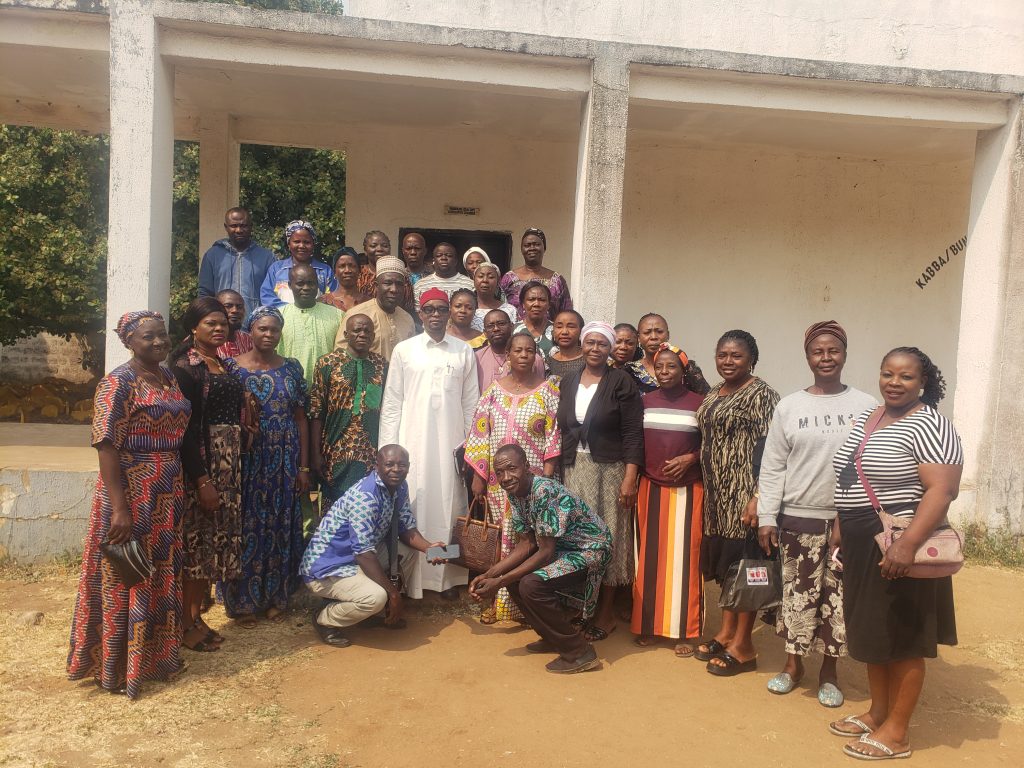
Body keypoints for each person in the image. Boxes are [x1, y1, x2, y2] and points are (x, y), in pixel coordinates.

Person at [829, 347, 962, 760]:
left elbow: (943, 490)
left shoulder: (931, 424)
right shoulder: (871, 417)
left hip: (900, 541)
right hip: (861, 539)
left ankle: (898, 733)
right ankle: (878, 713)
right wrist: (839, 526)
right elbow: (851, 473)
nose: (894, 382)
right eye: (888, 373)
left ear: (923, 381)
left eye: (906, 376)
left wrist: (907, 544)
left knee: (903, 636)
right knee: (874, 629)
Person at [67, 311, 191, 698]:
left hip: (166, 490)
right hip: (131, 492)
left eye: (162, 336)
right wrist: (120, 508)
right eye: (148, 337)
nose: (158, 343)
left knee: (160, 572)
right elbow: (106, 444)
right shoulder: (117, 383)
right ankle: (119, 666)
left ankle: (156, 658)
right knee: (128, 574)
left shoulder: (168, 377)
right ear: (129, 342)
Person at [756, 321, 876, 706]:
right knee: (797, 593)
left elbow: (871, 465)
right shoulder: (790, 406)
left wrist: (855, 514)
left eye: (833, 351)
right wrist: (767, 516)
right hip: (799, 516)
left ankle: (829, 671)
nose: (825, 358)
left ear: (844, 354)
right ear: (807, 356)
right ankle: (793, 665)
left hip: (850, 521)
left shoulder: (867, 407)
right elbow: (773, 466)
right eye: (817, 352)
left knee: (836, 597)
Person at [469, 445, 610, 674]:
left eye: (512, 469)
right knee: (516, 581)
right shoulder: (515, 492)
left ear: (526, 466)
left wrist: (499, 583)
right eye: (500, 472)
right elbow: (526, 544)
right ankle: (553, 638)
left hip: (590, 548)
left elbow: (545, 552)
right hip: (563, 549)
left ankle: (578, 651)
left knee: (530, 584)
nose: (506, 478)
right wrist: (488, 575)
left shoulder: (544, 491)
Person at [379, 288, 479, 598]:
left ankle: (445, 578)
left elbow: (470, 404)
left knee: (450, 510)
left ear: (449, 313)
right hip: (413, 445)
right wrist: (388, 449)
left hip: (451, 447)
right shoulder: (405, 351)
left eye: (441, 309)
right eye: (429, 310)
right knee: (415, 508)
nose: (435, 315)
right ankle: (413, 579)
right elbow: (393, 402)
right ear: (420, 315)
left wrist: (468, 451)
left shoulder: (462, 351)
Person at [301, 445, 447, 647]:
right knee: (376, 597)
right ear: (376, 466)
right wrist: (393, 594)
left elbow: (406, 527)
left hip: (355, 558)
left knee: (408, 553)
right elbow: (363, 554)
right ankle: (324, 617)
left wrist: (430, 548)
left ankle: (370, 612)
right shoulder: (365, 497)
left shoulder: (399, 487)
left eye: (401, 465)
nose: (396, 469)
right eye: (389, 464)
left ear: (408, 467)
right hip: (327, 567)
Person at [696, 330, 780, 676]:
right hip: (717, 499)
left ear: (752, 359)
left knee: (749, 571)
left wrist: (759, 497)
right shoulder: (715, 391)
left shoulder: (763, 395)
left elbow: (772, 450)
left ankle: (744, 647)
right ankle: (727, 632)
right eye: (722, 355)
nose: (728, 362)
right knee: (730, 571)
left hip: (745, 497)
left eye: (736, 356)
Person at [222, 306, 309, 627]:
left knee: (279, 526)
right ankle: (243, 601)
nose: (268, 335)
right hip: (247, 460)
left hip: (285, 458)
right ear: (251, 331)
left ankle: (276, 596)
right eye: (262, 329)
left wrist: (303, 467)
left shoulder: (291, 369)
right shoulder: (232, 368)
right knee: (246, 527)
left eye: (274, 329)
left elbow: (301, 419)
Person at [556, 321, 644, 642]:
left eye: (602, 344)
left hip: (610, 471)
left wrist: (630, 476)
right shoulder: (568, 382)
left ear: (610, 349)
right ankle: (580, 607)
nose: (595, 349)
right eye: (590, 342)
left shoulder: (621, 381)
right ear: (582, 345)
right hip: (573, 470)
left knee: (609, 537)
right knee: (576, 539)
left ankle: (605, 611)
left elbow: (634, 431)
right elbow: (561, 429)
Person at [465, 332, 561, 624]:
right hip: (497, 483)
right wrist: (479, 476)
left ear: (536, 356)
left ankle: (523, 604)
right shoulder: (492, 392)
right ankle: (498, 600)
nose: (523, 355)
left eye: (529, 350)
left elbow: (553, 438)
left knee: (527, 540)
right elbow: (480, 434)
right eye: (517, 350)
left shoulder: (547, 392)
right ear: (508, 354)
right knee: (500, 540)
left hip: (530, 483)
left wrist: (545, 480)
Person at [171, 297, 246, 653]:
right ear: (193, 328)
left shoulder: (221, 362)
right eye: (210, 324)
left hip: (228, 462)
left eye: (223, 323)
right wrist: (202, 480)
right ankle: (184, 623)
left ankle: (196, 617)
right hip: (204, 464)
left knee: (213, 544)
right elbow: (186, 430)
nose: (219, 328)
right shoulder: (186, 368)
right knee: (197, 544)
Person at [631, 344, 706, 656]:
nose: (664, 372)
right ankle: (648, 625)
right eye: (659, 366)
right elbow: (634, 443)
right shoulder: (644, 401)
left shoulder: (700, 403)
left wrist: (691, 458)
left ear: (683, 370)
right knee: (649, 560)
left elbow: (714, 446)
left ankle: (685, 631)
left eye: (671, 366)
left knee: (687, 561)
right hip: (651, 488)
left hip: (688, 491)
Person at [310, 313, 388, 509]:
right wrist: (315, 453)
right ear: (346, 334)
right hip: (334, 450)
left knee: (366, 504)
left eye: (367, 331)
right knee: (333, 506)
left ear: (373, 336)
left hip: (369, 451)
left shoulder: (382, 366)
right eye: (357, 330)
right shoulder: (327, 363)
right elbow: (316, 411)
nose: (362, 334)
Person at [334, 257, 416, 362]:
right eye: (388, 283)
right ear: (377, 286)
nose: (394, 289)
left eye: (399, 284)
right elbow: (341, 355)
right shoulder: (356, 314)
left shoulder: (407, 319)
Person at [276, 264, 344, 391]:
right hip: (289, 390)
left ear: (318, 285)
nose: (306, 288)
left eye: (311, 283)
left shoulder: (337, 315)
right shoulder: (278, 317)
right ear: (290, 286)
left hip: (327, 391)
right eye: (300, 284)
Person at [198, 207, 276, 317]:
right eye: (234, 226)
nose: (239, 230)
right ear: (226, 227)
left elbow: (273, 294)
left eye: (243, 225)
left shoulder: (267, 257)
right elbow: (205, 293)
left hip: (255, 325)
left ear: (251, 226)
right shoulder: (212, 255)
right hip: (222, 324)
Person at [260, 220, 338, 308]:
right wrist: (292, 312)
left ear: (313, 244)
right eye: (297, 242)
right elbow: (267, 297)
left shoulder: (325, 271)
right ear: (289, 244)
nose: (301, 246)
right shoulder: (276, 269)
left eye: (307, 242)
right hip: (283, 319)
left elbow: (333, 298)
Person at [627, 313, 709, 395]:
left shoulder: (686, 367)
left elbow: (707, 400)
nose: (653, 337)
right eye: (647, 332)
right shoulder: (629, 371)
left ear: (668, 335)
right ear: (638, 338)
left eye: (659, 332)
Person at [500, 228, 573, 320]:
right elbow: (499, 309)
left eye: (537, 244)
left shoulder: (557, 280)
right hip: (515, 333)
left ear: (544, 248)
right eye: (527, 245)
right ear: (522, 249)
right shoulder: (508, 278)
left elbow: (566, 313)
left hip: (549, 333)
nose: (532, 248)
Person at [475, 309, 545, 391]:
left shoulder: (533, 359)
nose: (496, 329)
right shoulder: (476, 358)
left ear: (512, 327)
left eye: (501, 324)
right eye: (490, 326)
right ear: (485, 333)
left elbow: (541, 389)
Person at [513, 281, 555, 358]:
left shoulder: (557, 330)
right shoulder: (513, 331)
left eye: (542, 300)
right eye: (531, 299)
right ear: (523, 304)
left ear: (549, 305)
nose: (536, 304)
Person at [472, 262, 516, 330]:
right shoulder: (466, 309)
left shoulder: (510, 310)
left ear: (498, 281)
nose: (485, 280)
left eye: (491, 277)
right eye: (480, 276)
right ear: (474, 280)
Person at [547, 309, 585, 380]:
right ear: (553, 331)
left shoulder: (590, 359)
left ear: (581, 331)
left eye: (571, 327)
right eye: (559, 327)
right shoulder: (549, 362)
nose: (564, 332)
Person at [215, 289, 254, 359]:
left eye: (239, 307)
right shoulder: (208, 341)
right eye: (228, 306)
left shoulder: (249, 341)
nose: (235, 310)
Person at [356, 230, 392, 297]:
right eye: (373, 246)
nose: (379, 249)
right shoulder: (357, 274)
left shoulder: (400, 275)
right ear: (365, 250)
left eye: (384, 246)